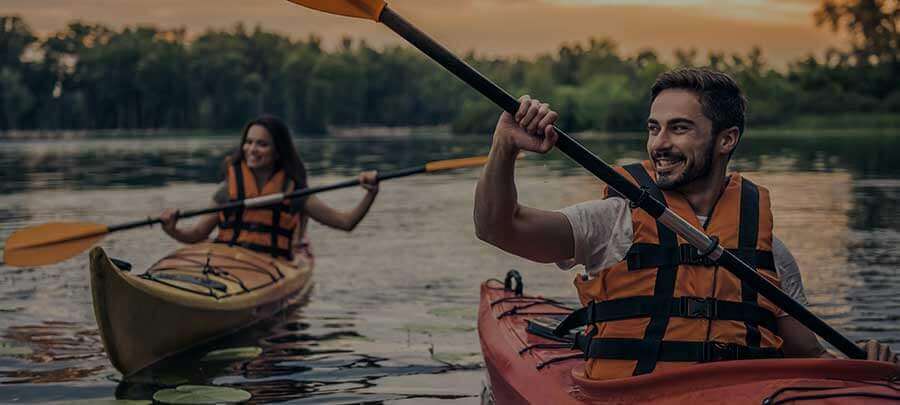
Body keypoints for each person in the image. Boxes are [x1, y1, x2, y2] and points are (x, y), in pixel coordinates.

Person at [473, 68, 898, 380]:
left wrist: (862, 366)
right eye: (654, 128)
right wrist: (504, 146)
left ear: (726, 139)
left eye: (679, 129)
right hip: (630, 394)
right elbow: (498, 226)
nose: (660, 144)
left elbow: (807, 355)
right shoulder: (613, 221)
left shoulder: (769, 253)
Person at [159, 115, 379, 262]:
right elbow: (197, 234)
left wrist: (370, 193)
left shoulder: (295, 194)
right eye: (249, 142)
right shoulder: (228, 190)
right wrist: (172, 229)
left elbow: (346, 223)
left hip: (271, 266)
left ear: (278, 151)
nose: (252, 149)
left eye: (262, 144)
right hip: (225, 261)